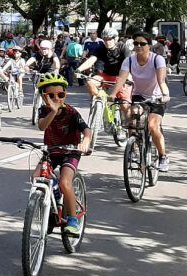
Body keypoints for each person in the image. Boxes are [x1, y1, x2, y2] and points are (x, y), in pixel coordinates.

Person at [35, 73, 92, 236]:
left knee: (65, 182)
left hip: (70, 152)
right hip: (52, 151)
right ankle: (55, 198)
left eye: (60, 95)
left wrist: (86, 141)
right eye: (51, 95)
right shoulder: (43, 111)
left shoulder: (71, 112)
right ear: (44, 97)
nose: (56, 98)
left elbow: (86, 129)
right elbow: (42, 126)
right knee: (35, 178)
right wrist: (52, 112)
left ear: (65, 95)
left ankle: (73, 219)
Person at [111, 32, 171, 171]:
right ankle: (135, 148)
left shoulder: (157, 59)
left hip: (157, 96)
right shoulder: (129, 60)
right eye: (136, 43)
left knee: (152, 126)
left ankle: (163, 156)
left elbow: (161, 81)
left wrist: (165, 95)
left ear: (149, 45)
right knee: (132, 119)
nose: (138, 46)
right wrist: (113, 94)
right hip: (139, 95)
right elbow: (121, 79)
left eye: (142, 44)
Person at [77, 28, 132, 104]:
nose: (107, 42)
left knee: (125, 105)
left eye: (109, 39)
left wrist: (128, 77)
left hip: (120, 77)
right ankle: (99, 101)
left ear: (115, 38)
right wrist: (79, 69)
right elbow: (92, 59)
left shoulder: (123, 47)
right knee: (90, 82)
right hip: (104, 75)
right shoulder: (100, 48)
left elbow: (129, 63)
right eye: (105, 39)